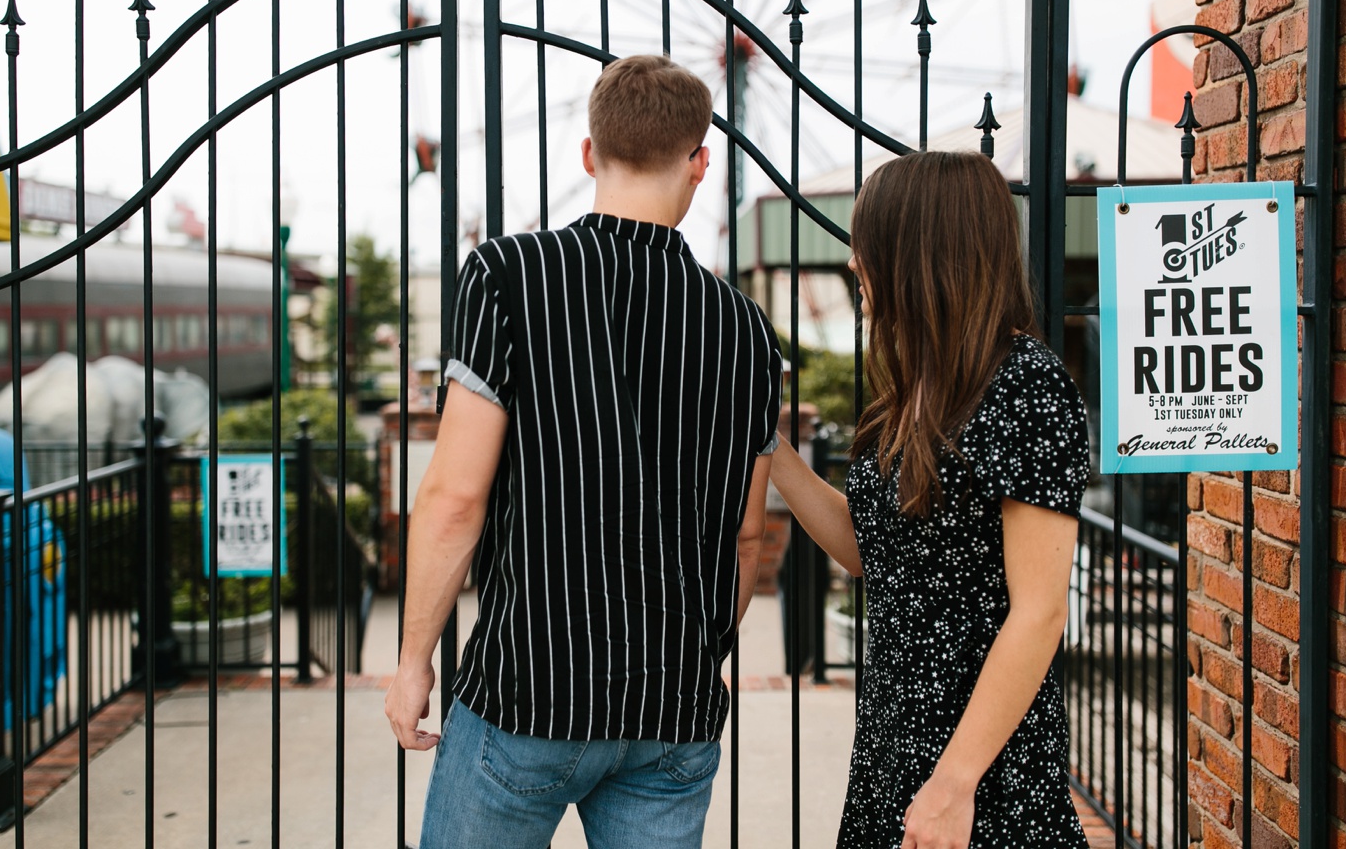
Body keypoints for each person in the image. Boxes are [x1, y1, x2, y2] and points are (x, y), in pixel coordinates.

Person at [384, 54, 784, 848]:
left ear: (589, 154)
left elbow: (455, 498)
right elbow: (745, 537)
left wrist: (411, 662)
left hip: (529, 692)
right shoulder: (745, 331)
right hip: (674, 711)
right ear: (701, 162)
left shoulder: (508, 275)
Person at [770, 149, 1091, 848]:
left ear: (918, 254)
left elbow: (1038, 612)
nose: (855, 264)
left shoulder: (1026, 390)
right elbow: (869, 550)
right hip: (895, 751)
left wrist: (953, 783)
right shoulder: (918, 394)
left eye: (868, 244)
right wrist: (771, 446)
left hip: (978, 775)